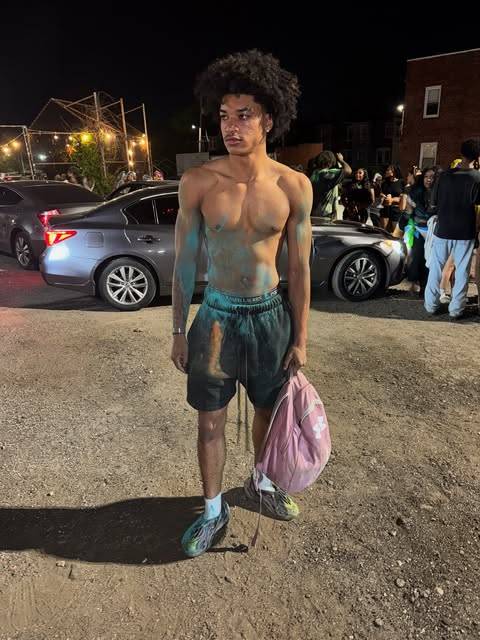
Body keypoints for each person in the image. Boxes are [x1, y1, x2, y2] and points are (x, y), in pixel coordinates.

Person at [171, 49, 312, 557]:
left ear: (269, 119)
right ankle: (213, 512)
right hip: (216, 318)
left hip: (271, 317)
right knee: (209, 419)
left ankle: (262, 483)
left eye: (244, 115)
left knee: (268, 412)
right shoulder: (200, 182)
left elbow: (300, 269)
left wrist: (301, 338)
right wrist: (177, 329)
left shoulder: (294, 186)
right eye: (225, 116)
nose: (231, 126)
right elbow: (185, 263)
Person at [424, 139, 480, 319]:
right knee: (462, 270)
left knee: (436, 267)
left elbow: (433, 203)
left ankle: (431, 305)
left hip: (443, 228)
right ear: (477, 157)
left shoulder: (444, 176)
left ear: (461, 153)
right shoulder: (477, 177)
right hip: (465, 230)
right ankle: (456, 309)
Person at [310, 150, 352, 219]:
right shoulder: (325, 174)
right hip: (325, 216)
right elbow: (348, 170)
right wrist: (341, 160)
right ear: (330, 162)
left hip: (314, 214)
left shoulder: (314, 173)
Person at [380, 165, 404, 232]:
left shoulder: (401, 182)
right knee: (383, 232)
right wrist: (382, 196)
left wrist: (392, 199)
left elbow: (403, 198)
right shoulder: (384, 183)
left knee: (396, 233)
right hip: (385, 210)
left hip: (396, 210)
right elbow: (381, 193)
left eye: (388, 170)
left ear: (394, 171)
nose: (386, 171)